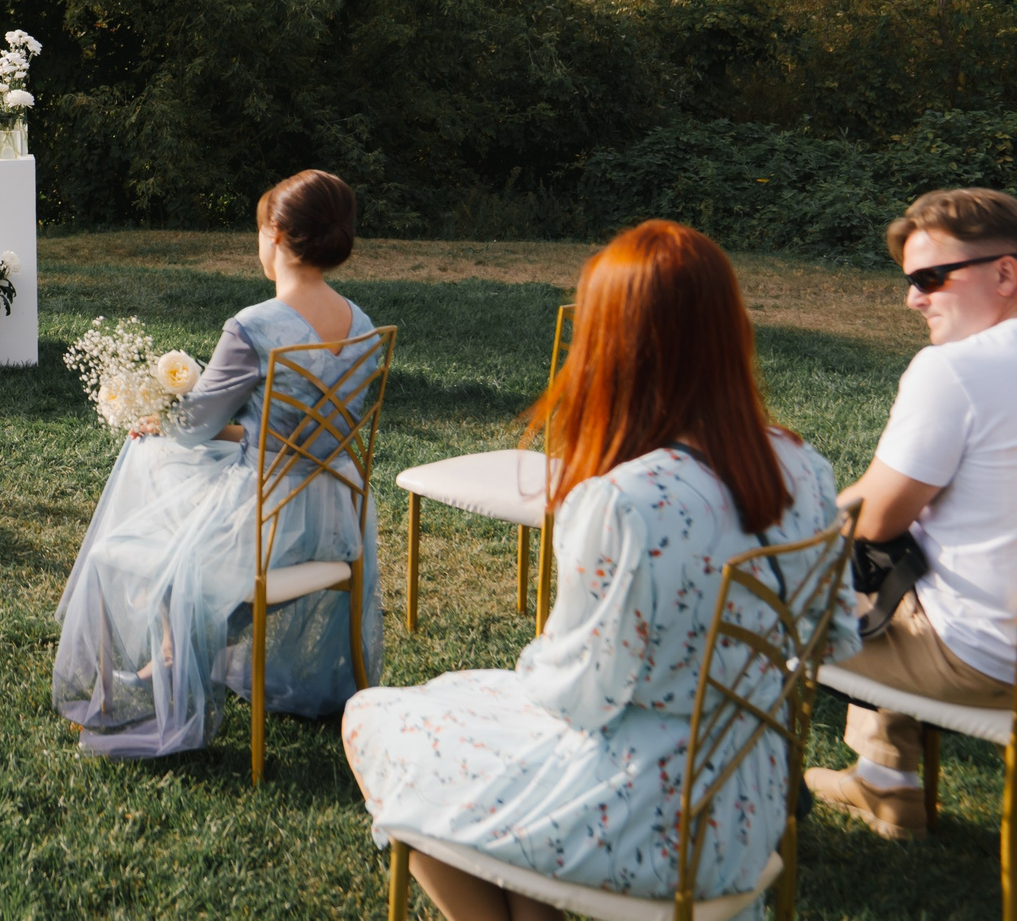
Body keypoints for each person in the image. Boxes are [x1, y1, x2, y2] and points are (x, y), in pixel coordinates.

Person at [342, 221, 852, 921]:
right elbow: (834, 637)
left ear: (612, 343)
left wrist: (528, 682)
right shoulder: (807, 468)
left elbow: (581, 694)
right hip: (749, 799)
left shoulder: (624, 500)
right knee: (466, 715)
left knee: (377, 722)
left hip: (650, 817)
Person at [50, 169, 385, 758]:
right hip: (337, 518)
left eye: (259, 231)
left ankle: (143, 685)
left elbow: (196, 428)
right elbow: (296, 432)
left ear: (276, 234)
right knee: (176, 494)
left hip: (268, 525)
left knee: (130, 509)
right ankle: (169, 658)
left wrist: (161, 416)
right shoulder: (362, 326)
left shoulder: (253, 327)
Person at [805, 186, 1017, 839]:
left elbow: (873, 519)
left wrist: (782, 520)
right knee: (908, 572)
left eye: (931, 277)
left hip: (986, 659)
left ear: (1006, 272)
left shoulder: (955, 370)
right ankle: (885, 777)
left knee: (762, 604)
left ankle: (727, 815)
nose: (912, 297)